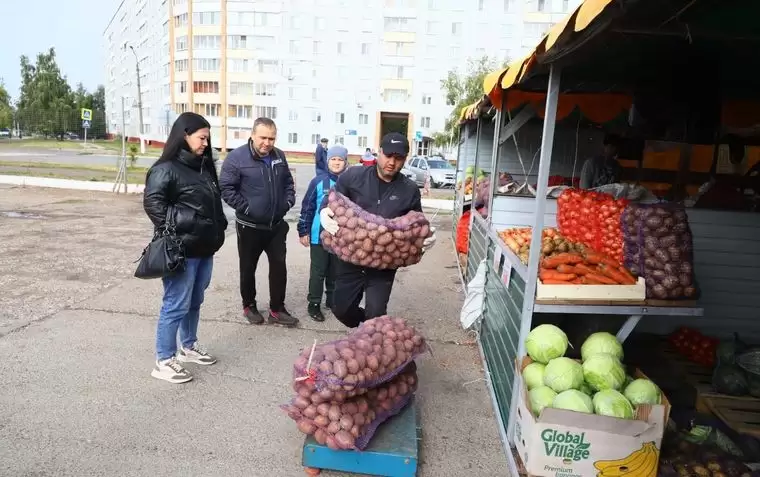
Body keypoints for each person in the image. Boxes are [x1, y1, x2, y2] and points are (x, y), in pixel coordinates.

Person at [143, 112, 228, 384]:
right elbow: (153, 204)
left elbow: (213, 202)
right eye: (202, 138)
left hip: (205, 248)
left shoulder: (202, 167)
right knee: (175, 304)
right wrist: (189, 223)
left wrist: (219, 223)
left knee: (194, 301)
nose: (205, 143)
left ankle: (188, 347)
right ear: (185, 135)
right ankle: (164, 360)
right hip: (182, 250)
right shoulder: (165, 169)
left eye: (207, 138)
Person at [319, 133, 437, 328]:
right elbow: (333, 199)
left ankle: (372, 336)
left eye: (398, 158)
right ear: (379, 153)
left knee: (375, 314)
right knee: (341, 309)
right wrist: (324, 210)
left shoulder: (409, 190)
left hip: (384, 263)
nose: (392, 162)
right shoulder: (353, 176)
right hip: (351, 257)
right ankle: (368, 329)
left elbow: (417, 222)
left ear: (405, 159)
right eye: (388, 155)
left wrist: (426, 236)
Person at [219, 117, 298, 327]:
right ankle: (249, 306)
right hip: (249, 227)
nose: (267, 143)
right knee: (248, 268)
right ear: (253, 135)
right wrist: (246, 208)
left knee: (279, 268)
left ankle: (277, 309)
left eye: (271, 138)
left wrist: (288, 201)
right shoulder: (237, 158)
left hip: (275, 226)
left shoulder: (279, 156)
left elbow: (288, 183)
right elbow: (226, 188)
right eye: (263, 137)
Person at [297, 145, 349, 322]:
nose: (336, 162)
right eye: (333, 159)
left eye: (340, 159)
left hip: (340, 237)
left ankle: (332, 300)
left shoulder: (349, 182)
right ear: (328, 162)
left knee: (335, 271)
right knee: (318, 272)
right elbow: (307, 207)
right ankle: (314, 304)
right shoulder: (318, 181)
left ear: (345, 162)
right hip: (318, 236)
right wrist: (302, 230)